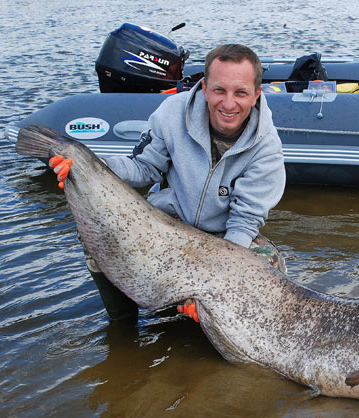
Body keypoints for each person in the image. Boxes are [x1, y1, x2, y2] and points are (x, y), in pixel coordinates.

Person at [49, 44, 286, 323]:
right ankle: (123, 324)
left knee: (269, 263)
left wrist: (209, 287)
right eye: (219, 90)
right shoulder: (171, 113)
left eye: (241, 92)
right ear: (205, 87)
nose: (229, 103)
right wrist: (101, 167)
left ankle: (213, 323)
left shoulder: (267, 149)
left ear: (256, 94)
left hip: (221, 236)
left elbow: (243, 223)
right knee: (98, 232)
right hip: (168, 223)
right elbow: (144, 168)